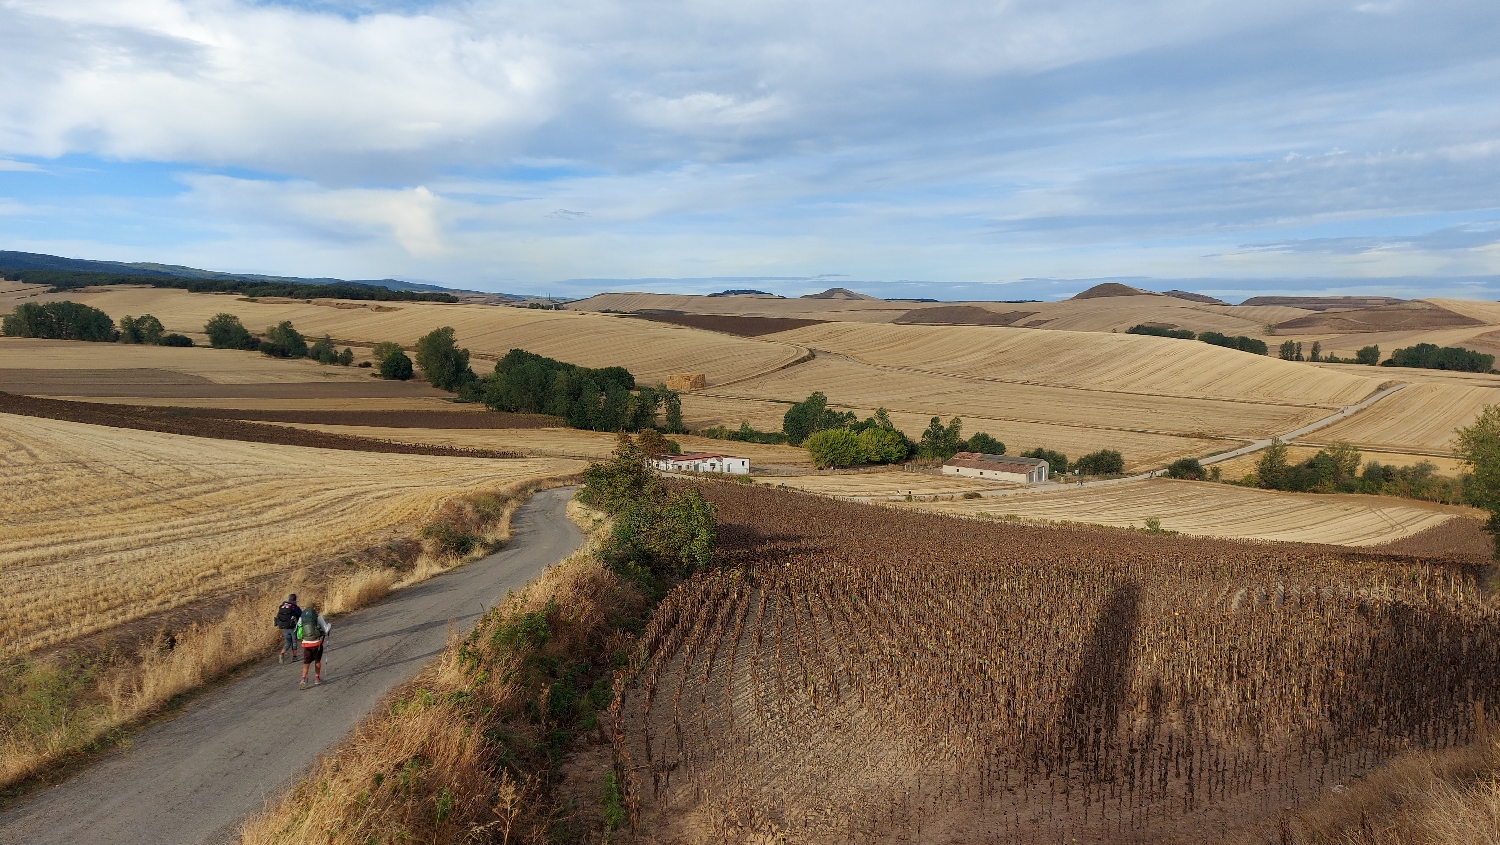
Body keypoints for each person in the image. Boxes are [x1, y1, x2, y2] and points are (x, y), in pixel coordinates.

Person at [295, 604, 331, 689]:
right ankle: (317, 678)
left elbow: (298, 633)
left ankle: (303, 679)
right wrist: (329, 625)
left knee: (306, 663)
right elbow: (326, 630)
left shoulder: (301, 619)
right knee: (317, 661)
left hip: (306, 644)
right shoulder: (318, 618)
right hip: (317, 644)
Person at [274, 593, 301, 664]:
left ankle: (282, 654)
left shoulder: (283, 606)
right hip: (293, 627)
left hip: (284, 627)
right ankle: (294, 657)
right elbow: (301, 615)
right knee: (294, 642)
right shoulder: (295, 607)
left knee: (288, 642)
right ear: (295, 599)